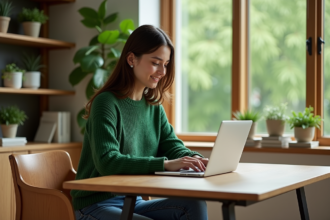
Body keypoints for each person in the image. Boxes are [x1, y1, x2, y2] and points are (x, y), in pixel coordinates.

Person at [71, 24, 209, 220]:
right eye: (155, 62)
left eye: (166, 64)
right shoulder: (106, 103)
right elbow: (108, 161)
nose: (162, 71)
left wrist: (196, 160)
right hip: (95, 205)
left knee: (193, 205)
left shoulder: (154, 107)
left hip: (133, 201)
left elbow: (173, 147)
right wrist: (166, 164)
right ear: (131, 59)